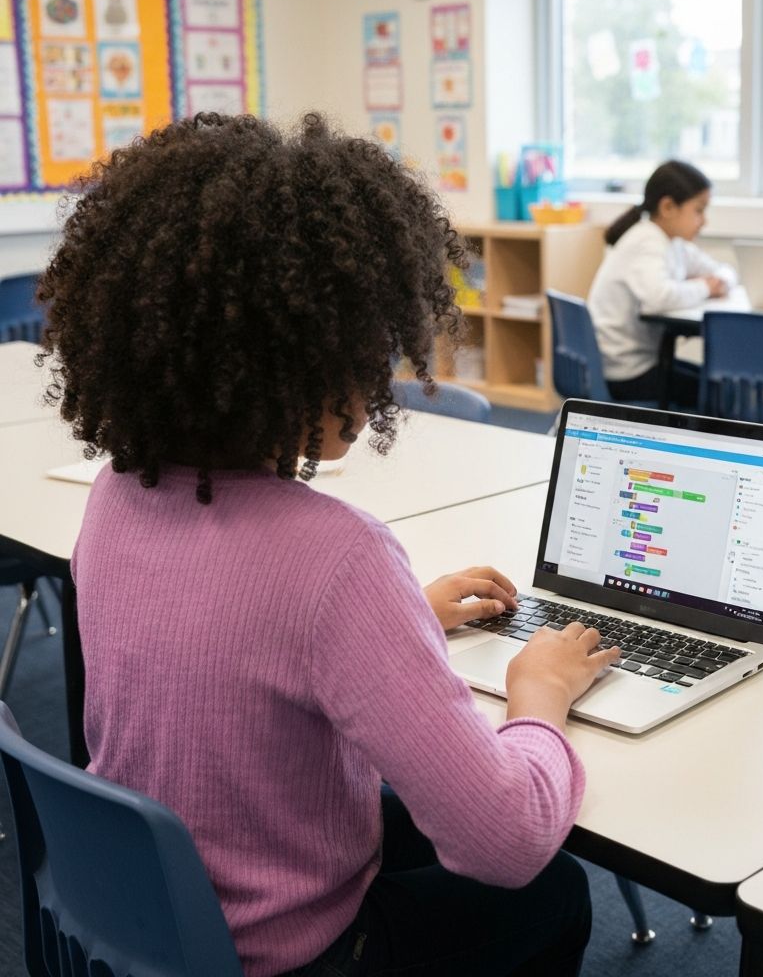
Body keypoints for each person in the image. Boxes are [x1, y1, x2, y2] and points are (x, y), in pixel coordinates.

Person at [35, 112, 620, 977]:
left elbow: (226, 647)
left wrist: (402, 624)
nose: (379, 366)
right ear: (305, 355)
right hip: (294, 955)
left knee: (399, 812)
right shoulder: (336, 559)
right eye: (367, 341)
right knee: (556, 890)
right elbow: (504, 841)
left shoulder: (118, 494)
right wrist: (539, 696)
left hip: (154, 912)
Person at [587, 159, 736, 407]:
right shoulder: (647, 242)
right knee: (718, 393)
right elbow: (659, 297)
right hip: (625, 371)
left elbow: (723, 270)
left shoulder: (671, 242)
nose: (704, 221)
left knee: (718, 384)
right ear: (668, 207)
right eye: (699, 210)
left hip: (639, 361)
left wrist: (720, 279)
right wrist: (706, 287)